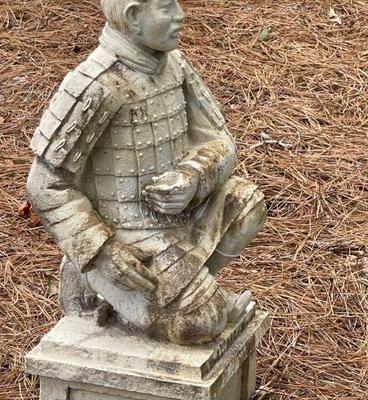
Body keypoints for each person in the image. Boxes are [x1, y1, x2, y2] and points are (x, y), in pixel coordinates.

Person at [27, 0, 266, 345]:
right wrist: (103, 251)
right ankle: (94, 279)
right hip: (128, 239)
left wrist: (194, 176)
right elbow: (45, 184)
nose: (180, 15)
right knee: (203, 321)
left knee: (247, 203)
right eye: (166, 7)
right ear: (134, 17)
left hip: (180, 217)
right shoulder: (97, 83)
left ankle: (186, 289)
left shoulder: (176, 65)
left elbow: (220, 141)